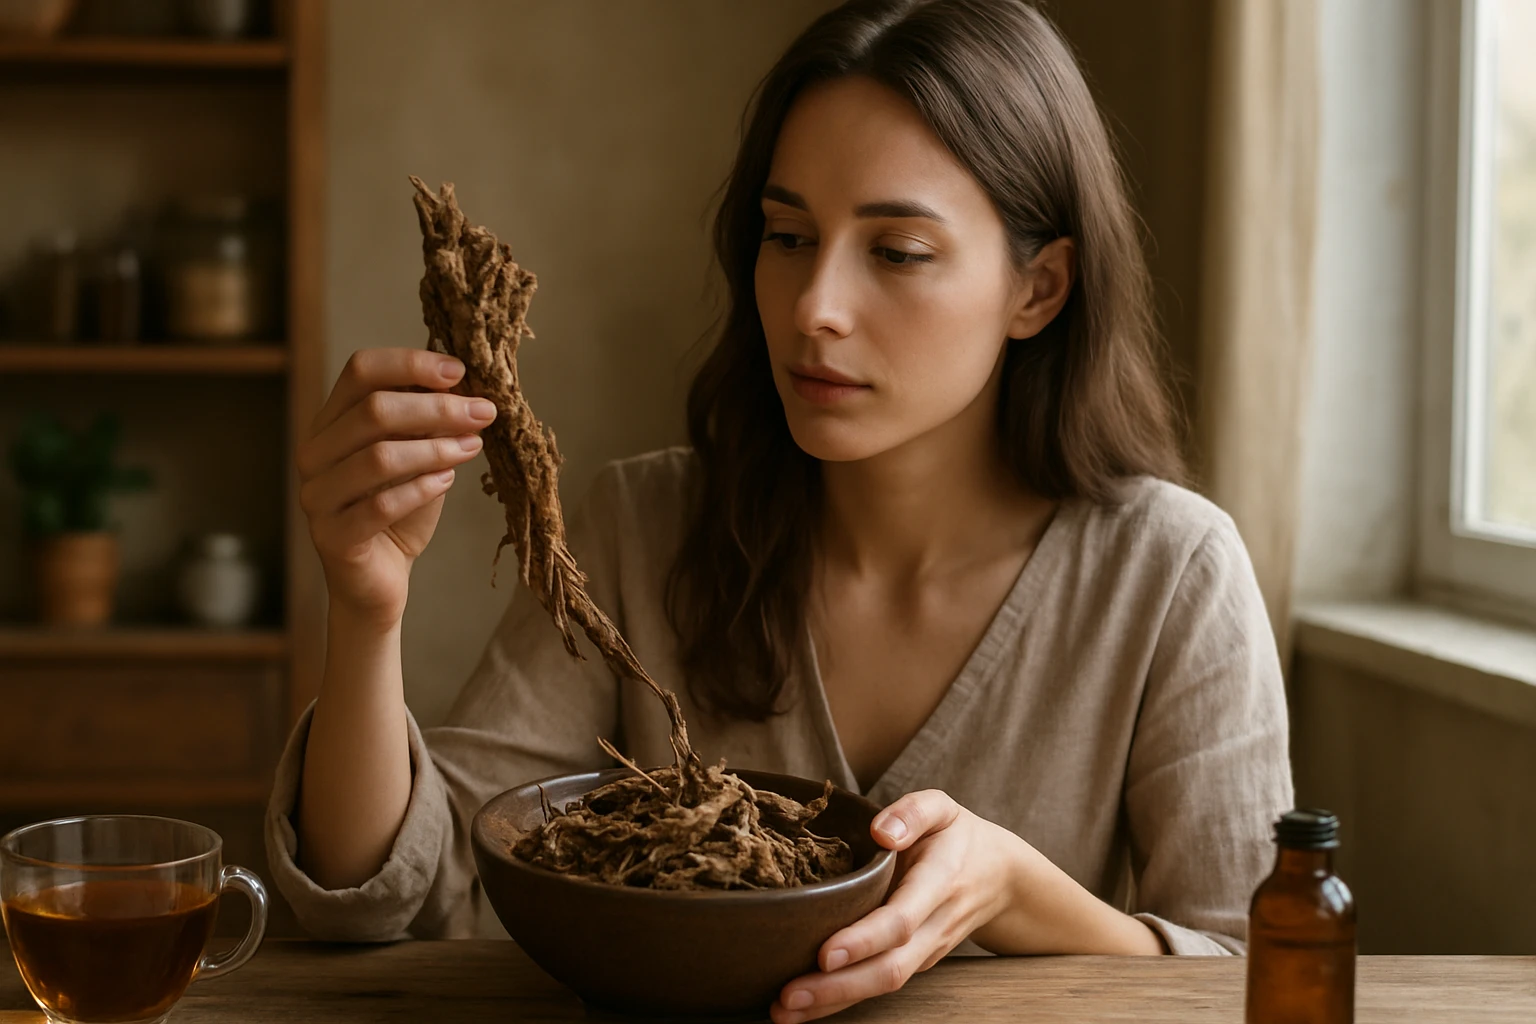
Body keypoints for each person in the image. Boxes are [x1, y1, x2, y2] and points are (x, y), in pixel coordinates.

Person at [266, 0, 1292, 1020]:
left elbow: (1248, 974)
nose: (813, 309)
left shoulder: (1170, 574)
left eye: (896, 251)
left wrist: (1021, 891)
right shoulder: (644, 527)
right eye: (789, 235)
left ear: (1040, 287)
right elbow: (395, 893)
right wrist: (366, 606)